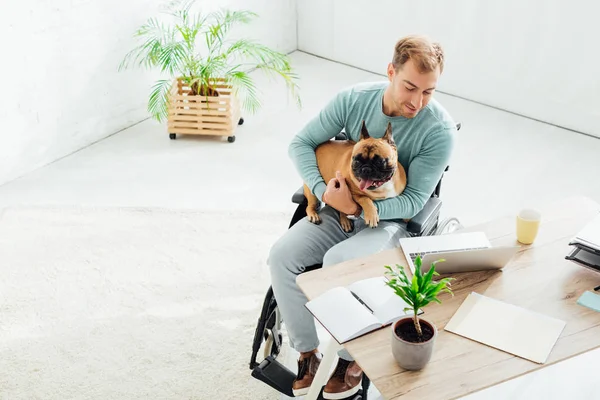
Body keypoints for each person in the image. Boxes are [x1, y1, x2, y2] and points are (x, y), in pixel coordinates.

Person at [267, 34, 457, 399]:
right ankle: (307, 351)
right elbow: (300, 144)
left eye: (429, 92)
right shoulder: (353, 101)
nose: (418, 102)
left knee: (339, 261)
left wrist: (360, 208)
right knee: (282, 256)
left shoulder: (439, 130)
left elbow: (416, 199)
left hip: (392, 221)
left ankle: (349, 357)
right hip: (336, 206)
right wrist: (325, 193)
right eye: (410, 87)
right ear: (390, 71)